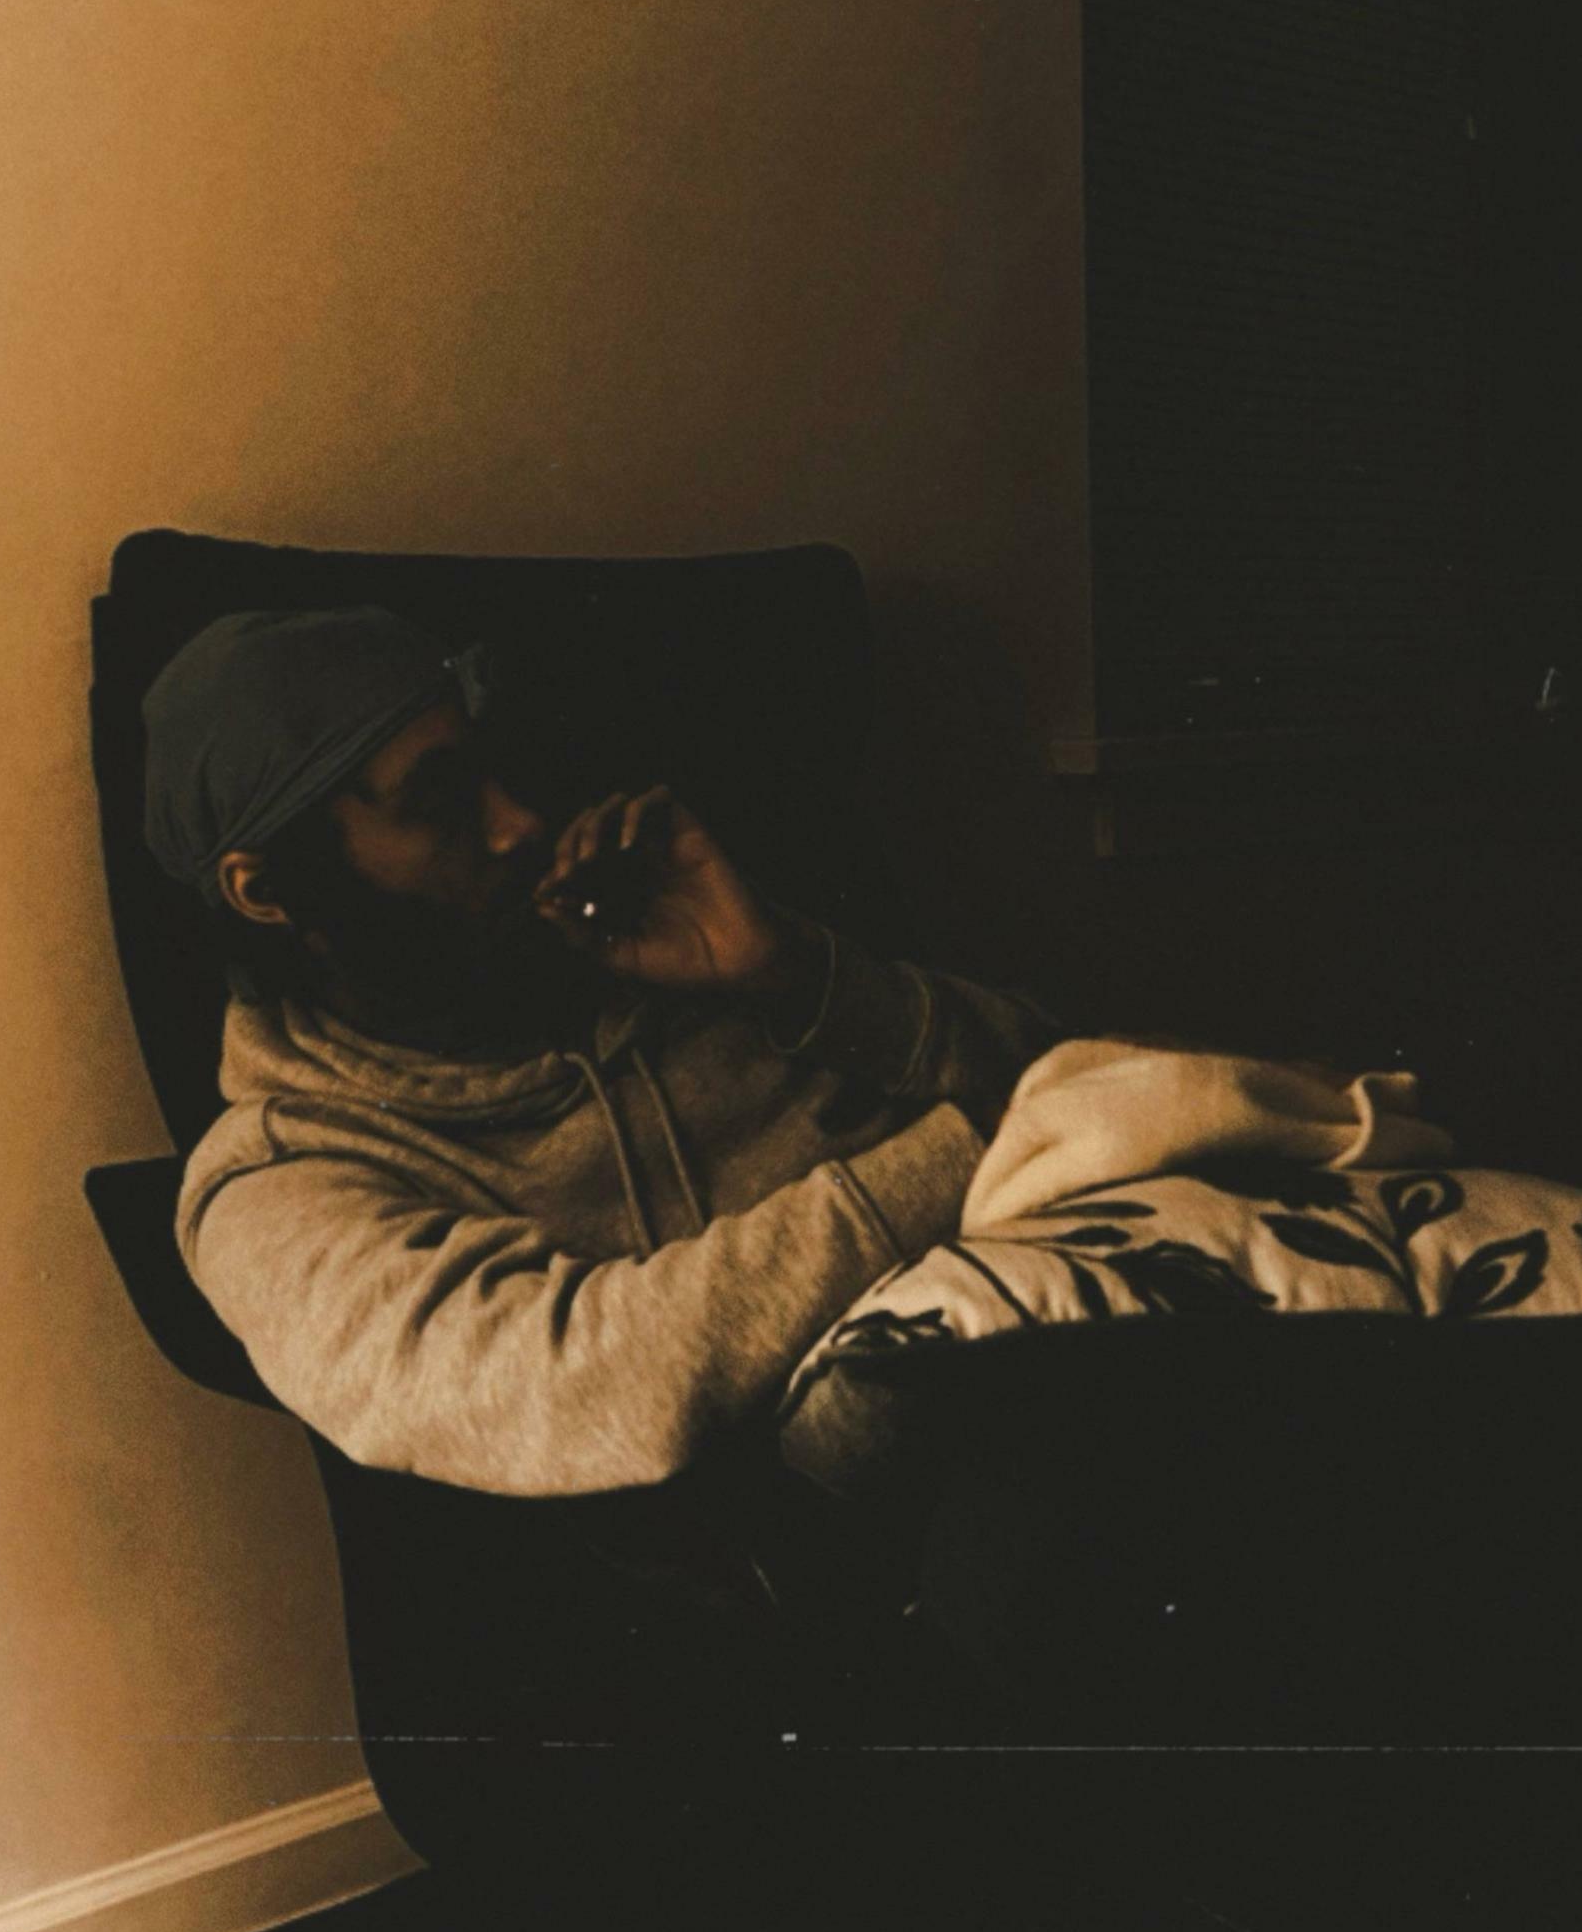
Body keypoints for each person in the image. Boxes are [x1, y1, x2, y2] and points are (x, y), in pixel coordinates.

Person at [144, 603, 1053, 1496]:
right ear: (266, 892)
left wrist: (799, 977)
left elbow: (1070, 1064)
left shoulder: (672, 950)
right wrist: (986, 1146)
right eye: (439, 803)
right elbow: (567, 1387)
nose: (517, 825)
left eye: (492, 771)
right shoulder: (277, 1188)